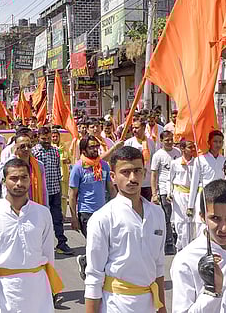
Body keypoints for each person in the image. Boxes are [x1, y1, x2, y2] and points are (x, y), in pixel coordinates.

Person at [0, 158, 62, 313]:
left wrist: (52, 287)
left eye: (23, 177)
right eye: (13, 178)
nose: (19, 183)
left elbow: (48, 253)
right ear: (4, 181)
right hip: (2, 289)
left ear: (30, 180)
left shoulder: (42, 213)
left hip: (37, 289)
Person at [85, 146, 167, 313]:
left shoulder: (157, 213)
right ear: (113, 177)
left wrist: (162, 308)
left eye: (137, 171)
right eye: (126, 172)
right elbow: (94, 275)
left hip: (150, 303)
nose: (132, 178)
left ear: (144, 173)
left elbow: (158, 267)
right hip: (117, 303)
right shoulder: (103, 218)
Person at [170, 179, 226, 312]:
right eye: (215, 218)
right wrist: (212, 293)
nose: (224, 228)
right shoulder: (186, 260)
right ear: (202, 217)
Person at [69, 135, 116, 280]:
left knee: (102, 245)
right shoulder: (78, 168)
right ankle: (94, 275)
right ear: (83, 150)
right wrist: (74, 218)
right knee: (95, 244)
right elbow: (72, 195)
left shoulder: (104, 166)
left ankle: (86, 261)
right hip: (86, 213)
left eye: (96, 146)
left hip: (103, 212)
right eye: (91, 147)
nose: (95, 149)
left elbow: (111, 189)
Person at [32, 126, 73, 255]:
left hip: (55, 189)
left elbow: (56, 169)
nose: (47, 141)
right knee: (41, 220)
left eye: (49, 138)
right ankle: (40, 246)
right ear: (38, 137)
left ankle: (61, 242)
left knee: (57, 218)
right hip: (41, 192)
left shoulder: (55, 151)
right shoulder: (34, 152)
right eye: (44, 138)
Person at [188, 130, 226, 238]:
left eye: (220, 142)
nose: (218, 145)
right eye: (215, 142)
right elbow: (194, 183)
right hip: (203, 196)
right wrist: (190, 206)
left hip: (218, 198)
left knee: (216, 225)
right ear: (209, 142)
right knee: (202, 226)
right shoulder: (200, 160)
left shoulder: (224, 160)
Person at [151, 130, 182, 254]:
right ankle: (169, 243)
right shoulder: (158, 155)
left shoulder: (178, 152)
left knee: (178, 216)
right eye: (167, 140)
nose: (169, 142)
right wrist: (154, 193)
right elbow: (154, 175)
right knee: (167, 217)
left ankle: (179, 240)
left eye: (171, 139)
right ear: (161, 141)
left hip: (177, 189)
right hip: (164, 190)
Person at [0, 131, 48, 206]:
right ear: (16, 147)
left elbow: (44, 190)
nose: (26, 149)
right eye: (22, 146)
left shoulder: (39, 165)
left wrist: (46, 208)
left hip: (34, 205)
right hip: (13, 206)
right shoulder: (10, 164)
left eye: (29, 146)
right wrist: (12, 156)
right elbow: (0, 178)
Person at [168, 139, 196, 251]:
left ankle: (190, 248)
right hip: (179, 196)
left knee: (192, 223)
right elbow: (169, 180)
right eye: (190, 147)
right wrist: (169, 192)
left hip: (192, 195)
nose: (193, 149)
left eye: (193, 146)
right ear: (182, 148)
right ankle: (181, 248)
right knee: (181, 223)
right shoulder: (175, 163)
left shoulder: (197, 163)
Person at [124, 116, 157, 201]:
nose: (134, 130)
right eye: (133, 128)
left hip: (148, 182)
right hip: (134, 181)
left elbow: (154, 160)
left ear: (143, 127)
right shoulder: (129, 143)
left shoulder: (151, 142)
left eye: (137, 128)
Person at [51, 126, 72, 219]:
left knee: (63, 196)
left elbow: (70, 159)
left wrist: (66, 160)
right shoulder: (50, 148)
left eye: (56, 136)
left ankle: (63, 214)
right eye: (53, 136)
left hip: (64, 174)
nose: (55, 138)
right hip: (54, 175)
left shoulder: (64, 146)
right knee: (55, 197)